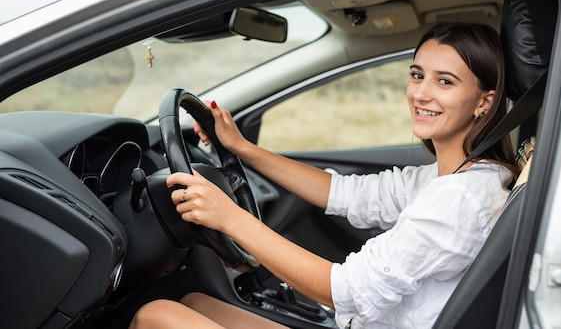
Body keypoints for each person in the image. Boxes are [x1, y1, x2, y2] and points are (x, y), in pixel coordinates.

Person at [130, 22, 519, 329]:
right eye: (417, 75)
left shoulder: (461, 198)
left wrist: (229, 217)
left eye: (444, 82)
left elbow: (346, 290)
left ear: (485, 101)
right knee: (191, 304)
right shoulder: (456, 177)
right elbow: (345, 193)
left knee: (155, 318)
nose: (421, 93)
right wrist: (242, 148)